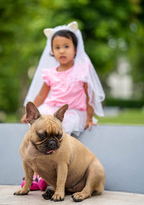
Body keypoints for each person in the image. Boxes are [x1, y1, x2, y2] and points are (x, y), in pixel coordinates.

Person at [21, 21, 105, 190]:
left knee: (60, 127)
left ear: (76, 49)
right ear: (52, 51)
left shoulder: (82, 70)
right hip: (51, 109)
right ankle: (37, 175)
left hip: (73, 111)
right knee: (39, 128)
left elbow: (90, 95)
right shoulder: (50, 73)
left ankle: (50, 173)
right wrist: (29, 114)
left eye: (66, 46)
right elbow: (42, 95)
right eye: (57, 47)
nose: (62, 51)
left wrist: (89, 117)